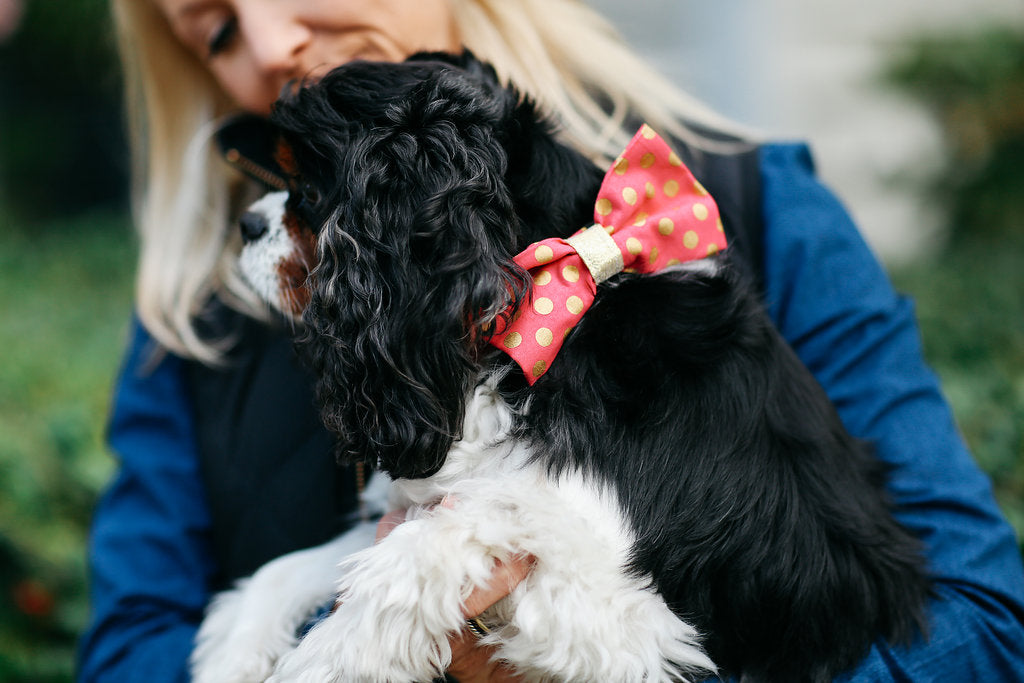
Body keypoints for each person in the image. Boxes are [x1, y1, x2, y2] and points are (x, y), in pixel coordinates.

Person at [77, 0, 1024, 681]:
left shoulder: (753, 210)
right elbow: (128, 649)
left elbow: (981, 632)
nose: (272, 39)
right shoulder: (192, 324)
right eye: (216, 29)